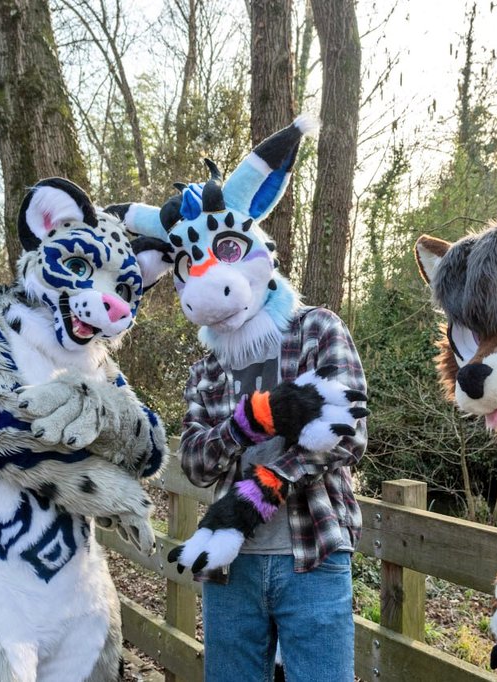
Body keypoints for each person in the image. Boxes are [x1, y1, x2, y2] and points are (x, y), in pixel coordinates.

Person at [107, 117, 368, 682]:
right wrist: (252, 421)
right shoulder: (207, 367)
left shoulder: (318, 330)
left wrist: (259, 488)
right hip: (230, 569)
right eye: (188, 267)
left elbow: (348, 437)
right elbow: (197, 463)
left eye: (225, 249)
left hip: (313, 553)